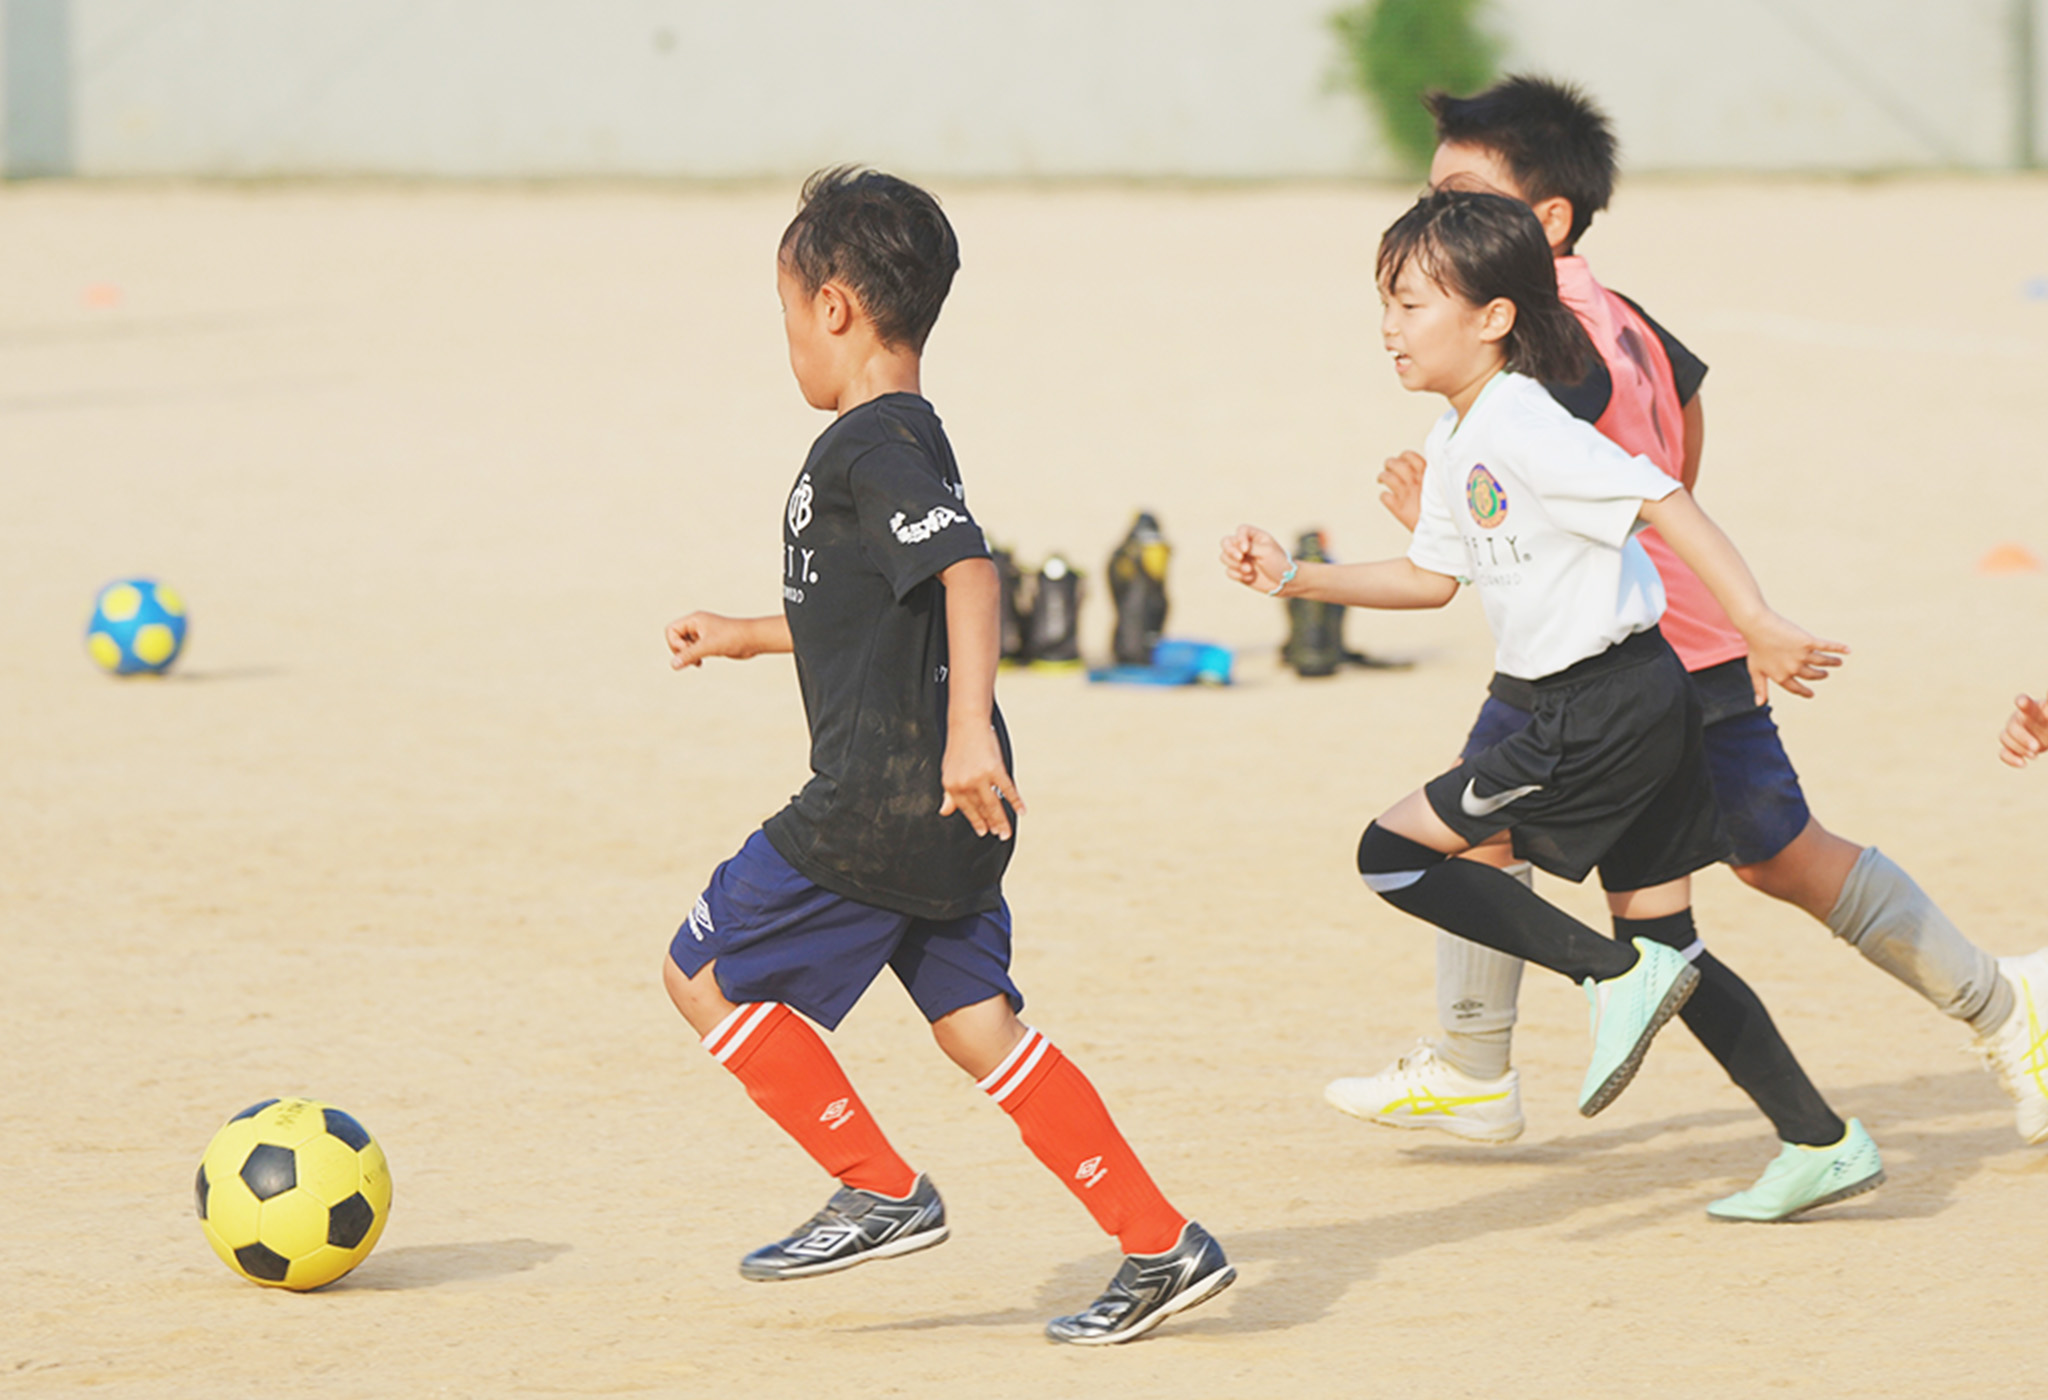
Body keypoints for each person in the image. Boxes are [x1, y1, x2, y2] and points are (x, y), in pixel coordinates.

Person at [1338, 75, 2048, 1151]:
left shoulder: (1544, 341)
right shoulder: (1614, 309)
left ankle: (2001, 1009)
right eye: (1431, 196)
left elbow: (1609, 469)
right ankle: (1818, 1127)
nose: (1437, 218)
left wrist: (1481, 513)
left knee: (1510, 846)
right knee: (1748, 866)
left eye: (1462, 198)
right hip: (1659, 645)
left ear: (1542, 224)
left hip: (1630, 667)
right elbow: (1681, 401)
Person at [1222, 186, 1886, 1221]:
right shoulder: (1459, 436)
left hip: (1591, 708)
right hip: (1627, 697)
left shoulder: (1523, 423)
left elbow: (1661, 493)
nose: (1387, 327)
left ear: (1491, 317)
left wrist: (1751, 616)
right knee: (1672, 948)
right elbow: (1430, 576)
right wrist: (1291, 578)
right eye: (1384, 304)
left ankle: (1601, 973)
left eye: (1409, 304)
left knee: (1391, 851)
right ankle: (1819, 1139)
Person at [659, 168, 1232, 1346]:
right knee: (978, 1023)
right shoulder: (907, 435)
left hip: (887, 799)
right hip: (961, 811)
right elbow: (877, 612)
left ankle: (877, 1188)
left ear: (831, 307)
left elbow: (969, 572)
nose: (786, 348)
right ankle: (1158, 1241)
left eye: (783, 319)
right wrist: (746, 633)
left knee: (698, 973)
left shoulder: (870, 444)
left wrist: (966, 729)